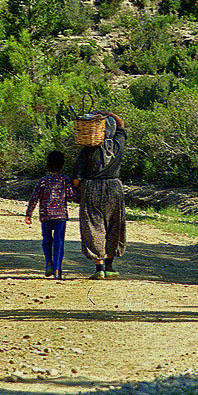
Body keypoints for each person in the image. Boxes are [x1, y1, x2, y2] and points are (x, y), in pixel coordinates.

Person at [71, 110, 126, 279]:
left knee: (93, 226)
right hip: (114, 187)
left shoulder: (88, 150)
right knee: (114, 225)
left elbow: (76, 178)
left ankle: (99, 268)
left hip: (91, 188)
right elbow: (121, 125)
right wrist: (108, 113)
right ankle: (110, 266)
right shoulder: (118, 144)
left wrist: (79, 191)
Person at [25, 149, 77, 280]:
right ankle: (58, 268)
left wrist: (29, 214)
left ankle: (48, 262)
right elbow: (72, 195)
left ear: (48, 165)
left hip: (46, 215)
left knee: (47, 241)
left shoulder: (43, 181)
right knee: (59, 242)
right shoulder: (65, 180)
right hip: (61, 216)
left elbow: (34, 197)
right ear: (62, 165)